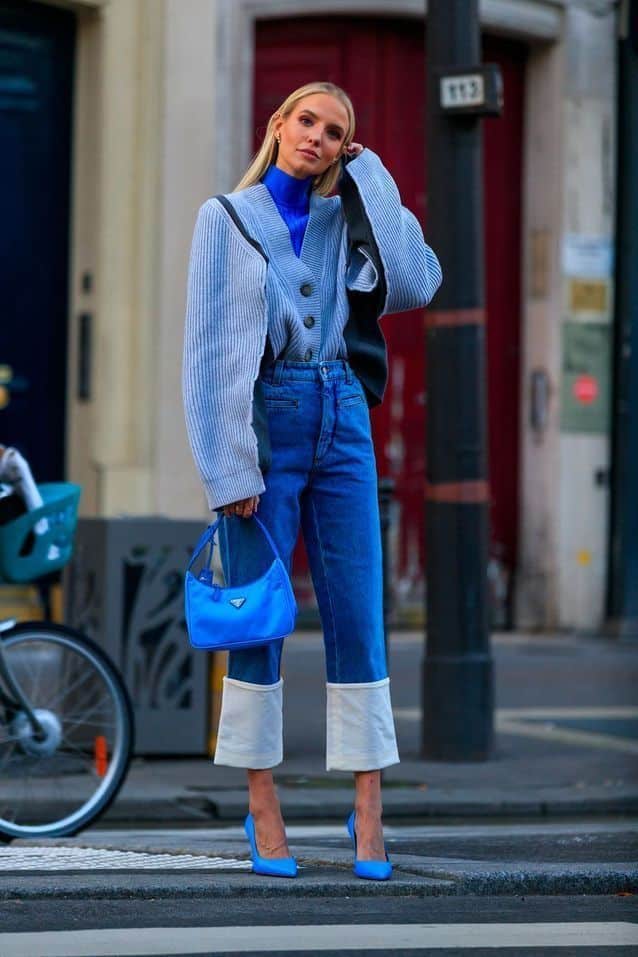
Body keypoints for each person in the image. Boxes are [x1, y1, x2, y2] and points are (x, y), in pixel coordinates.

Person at [183, 81, 442, 879]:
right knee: (259, 618)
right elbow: (210, 354)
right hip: (269, 422)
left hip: (345, 418)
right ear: (278, 124)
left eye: (335, 133)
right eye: (308, 122)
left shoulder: (346, 217)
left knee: (360, 612)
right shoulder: (225, 219)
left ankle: (368, 805)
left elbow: (414, 281)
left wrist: (375, 180)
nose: (318, 138)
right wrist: (228, 468)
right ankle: (262, 804)